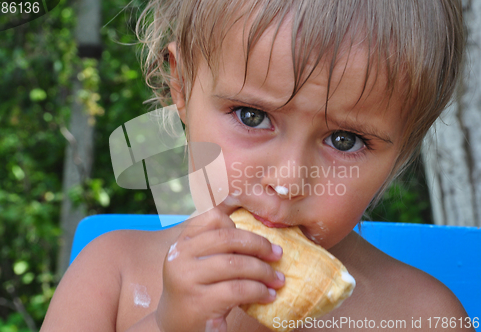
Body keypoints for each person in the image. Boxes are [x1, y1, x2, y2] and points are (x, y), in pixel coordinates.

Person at [41, 0, 473, 331]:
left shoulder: (423, 316)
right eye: (252, 116)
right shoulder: (112, 276)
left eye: (345, 140)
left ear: (402, 151)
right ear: (182, 86)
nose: (287, 182)